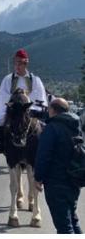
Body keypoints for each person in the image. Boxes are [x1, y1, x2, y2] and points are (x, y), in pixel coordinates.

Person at [35, 98, 83, 234]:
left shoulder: (51, 128)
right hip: (73, 181)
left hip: (56, 183)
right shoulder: (75, 126)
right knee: (72, 220)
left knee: (64, 227)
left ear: (52, 110)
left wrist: (38, 178)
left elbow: (43, 156)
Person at [0, 49, 48, 154]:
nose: (17, 66)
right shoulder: (8, 79)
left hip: (29, 107)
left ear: (25, 64)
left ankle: (44, 146)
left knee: (44, 123)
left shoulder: (34, 79)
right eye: (16, 63)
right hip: (13, 107)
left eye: (20, 63)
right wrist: (15, 99)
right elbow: (3, 95)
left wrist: (26, 99)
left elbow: (38, 95)